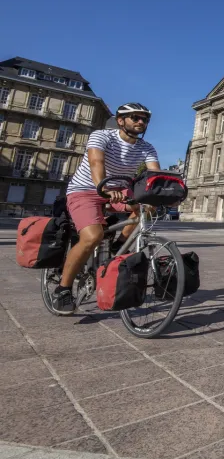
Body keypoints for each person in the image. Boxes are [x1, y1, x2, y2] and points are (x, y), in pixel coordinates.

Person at [51, 103, 161, 314]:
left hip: (120, 190)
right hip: (86, 189)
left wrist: (168, 194)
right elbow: (96, 163)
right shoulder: (102, 136)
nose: (141, 122)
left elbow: (154, 176)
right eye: (136, 118)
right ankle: (63, 289)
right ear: (120, 121)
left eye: (144, 119)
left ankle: (118, 245)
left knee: (148, 208)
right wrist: (104, 188)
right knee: (92, 237)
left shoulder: (146, 147)